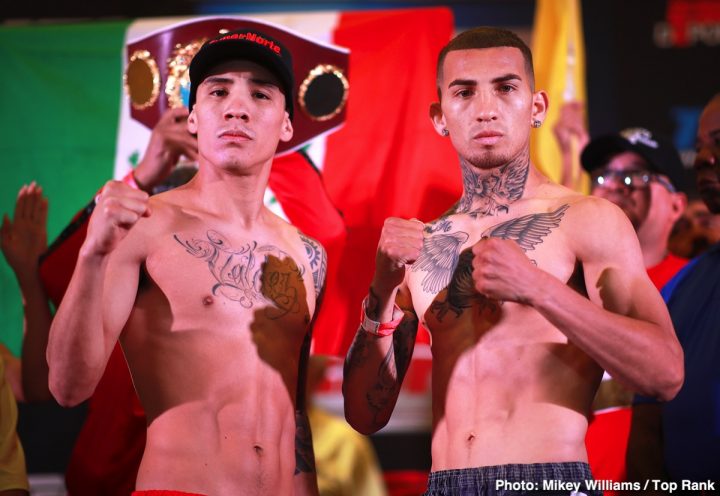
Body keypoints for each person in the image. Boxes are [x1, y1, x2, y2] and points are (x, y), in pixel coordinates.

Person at [342, 27, 684, 495]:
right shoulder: (425, 243)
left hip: (545, 481)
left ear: (537, 106)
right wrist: (380, 293)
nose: (486, 108)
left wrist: (539, 287)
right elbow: (365, 415)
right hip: (445, 484)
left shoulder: (587, 219)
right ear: (440, 116)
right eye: (464, 92)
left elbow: (664, 373)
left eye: (505, 88)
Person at [47, 28, 324, 496]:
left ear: (286, 126)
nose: (237, 107)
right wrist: (91, 257)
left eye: (260, 93)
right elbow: (67, 388)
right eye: (218, 92)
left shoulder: (307, 252)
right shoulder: (144, 223)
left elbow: (292, 413)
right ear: (193, 117)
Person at [575, 128, 689, 491]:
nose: (615, 185)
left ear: (677, 204)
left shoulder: (701, 287)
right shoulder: (561, 289)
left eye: (638, 174)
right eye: (604, 175)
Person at [628, 93, 720, 486]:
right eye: (699, 147)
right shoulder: (681, 286)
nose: (701, 159)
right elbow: (647, 430)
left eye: (719, 143)